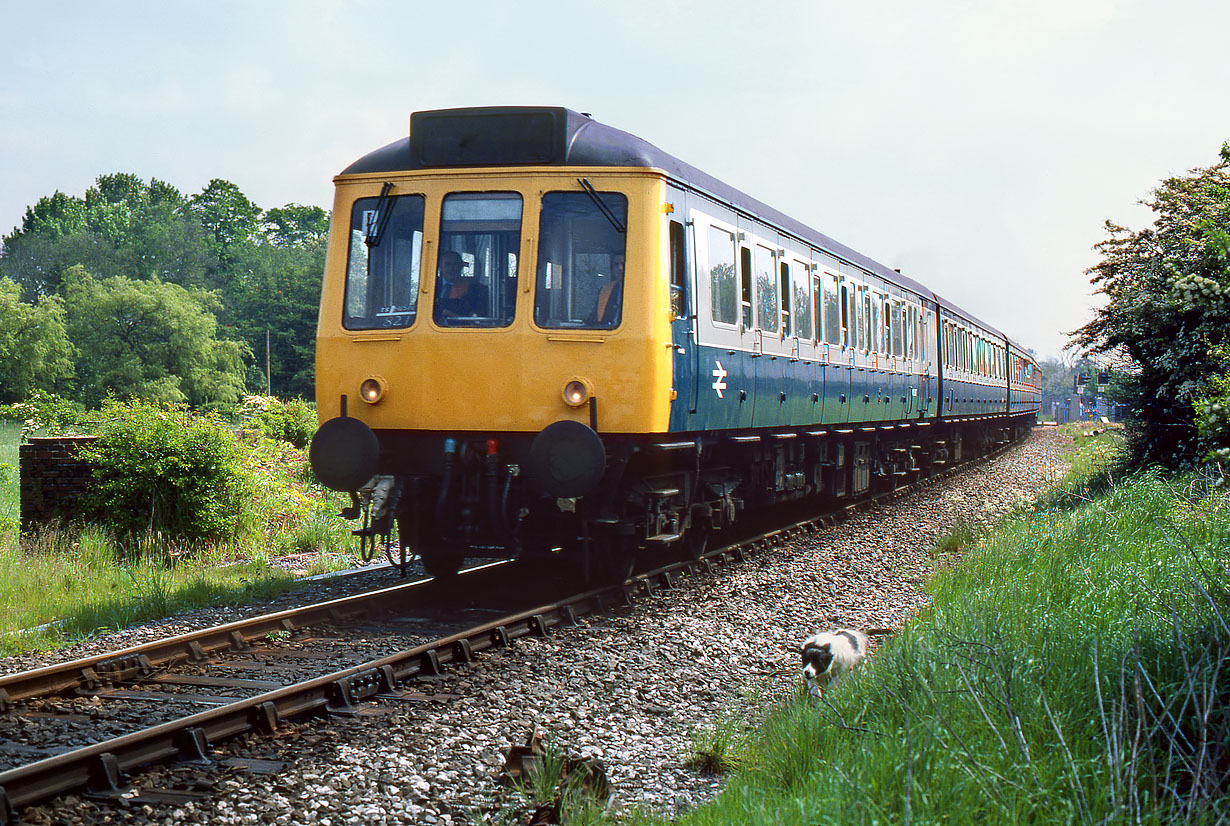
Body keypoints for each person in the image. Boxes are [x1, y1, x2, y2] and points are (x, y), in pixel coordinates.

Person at [434, 250, 488, 320]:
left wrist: (444, 312)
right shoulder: (432, 286)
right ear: (440, 267)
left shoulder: (474, 288)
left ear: (461, 267)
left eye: (455, 264)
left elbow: (474, 312)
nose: (451, 268)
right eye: (447, 264)